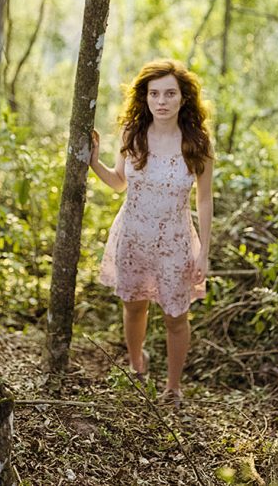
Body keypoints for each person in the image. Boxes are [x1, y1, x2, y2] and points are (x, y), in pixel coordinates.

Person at [90, 59, 214, 408]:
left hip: (175, 242)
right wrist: (94, 162)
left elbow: (204, 201)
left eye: (169, 94)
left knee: (176, 317)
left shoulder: (197, 143)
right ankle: (136, 366)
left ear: (183, 98)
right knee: (134, 307)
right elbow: (118, 184)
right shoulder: (132, 135)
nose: (161, 101)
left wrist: (203, 250)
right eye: (154, 93)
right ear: (144, 97)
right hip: (132, 236)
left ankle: (173, 387)